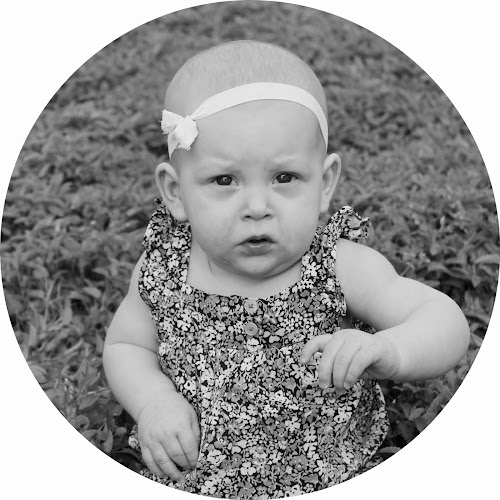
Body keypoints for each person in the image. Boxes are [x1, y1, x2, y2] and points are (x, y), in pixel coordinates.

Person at [103, 40, 470, 498]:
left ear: (325, 183)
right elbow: (127, 346)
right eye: (224, 180)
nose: (258, 206)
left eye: (285, 178)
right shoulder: (164, 266)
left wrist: (391, 350)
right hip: (194, 478)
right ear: (175, 192)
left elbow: (443, 320)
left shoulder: (336, 264)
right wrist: (153, 402)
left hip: (335, 475)